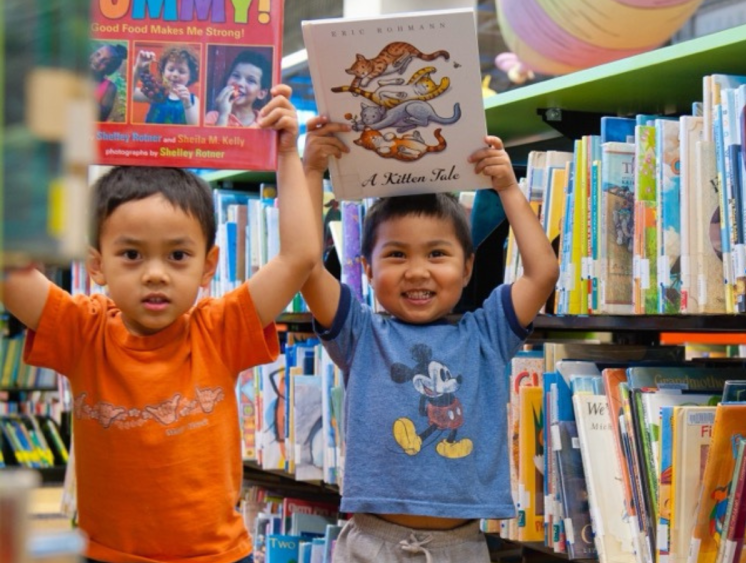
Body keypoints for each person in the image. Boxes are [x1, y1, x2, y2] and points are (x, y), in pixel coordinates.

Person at [1, 84, 316, 563]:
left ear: (209, 266)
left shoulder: (220, 329)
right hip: (106, 555)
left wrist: (288, 154)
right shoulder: (82, 332)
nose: (154, 273)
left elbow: (300, 256)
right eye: (131, 254)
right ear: (96, 264)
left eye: (177, 255)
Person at [300, 115, 559, 562]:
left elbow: (543, 272)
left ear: (468, 268)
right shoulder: (360, 334)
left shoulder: (487, 334)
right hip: (369, 543)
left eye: (437, 254)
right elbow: (304, 265)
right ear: (367, 269)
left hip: (460, 548)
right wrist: (309, 172)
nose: (417, 271)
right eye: (396, 254)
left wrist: (508, 189)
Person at [132, 45, 200, 125]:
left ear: (190, 76)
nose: (175, 74)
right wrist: (138, 68)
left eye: (181, 71)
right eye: (171, 69)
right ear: (163, 72)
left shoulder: (193, 100)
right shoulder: (156, 93)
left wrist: (187, 104)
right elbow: (130, 94)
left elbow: (195, 125)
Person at [205, 50, 272, 127]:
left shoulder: (265, 122)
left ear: (261, 93)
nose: (240, 83)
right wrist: (223, 116)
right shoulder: (213, 117)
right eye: (236, 76)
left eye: (251, 80)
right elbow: (214, 139)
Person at [91, 43, 127, 122]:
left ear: (110, 70)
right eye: (98, 54)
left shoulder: (109, 88)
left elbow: (102, 116)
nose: (98, 61)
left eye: (105, 62)